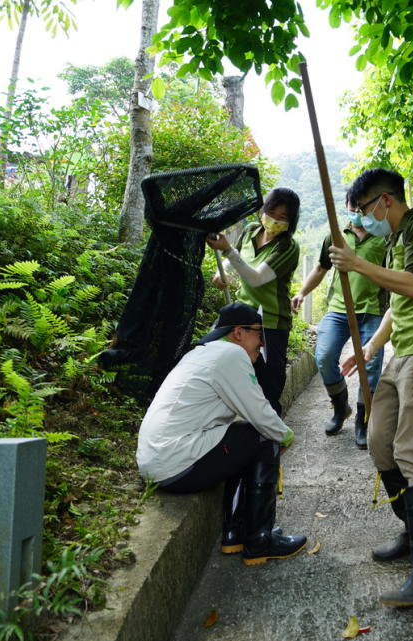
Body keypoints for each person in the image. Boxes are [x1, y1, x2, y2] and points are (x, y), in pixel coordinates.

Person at [329, 168, 413, 607]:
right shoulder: (395, 241)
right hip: (400, 354)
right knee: (381, 444)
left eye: (364, 210)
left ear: (385, 201)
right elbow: (397, 303)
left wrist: (356, 263)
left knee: (411, 451)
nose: (364, 219)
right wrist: (368, 347)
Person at [135, 302, 307, 565]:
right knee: (264, 436)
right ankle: (260, 541)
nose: (261, 343)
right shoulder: (231, 355)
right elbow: (259, 412)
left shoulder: (201, 353)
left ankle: (234, 533)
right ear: (238, 333)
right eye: (258, 334)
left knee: (243, 436)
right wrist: (286, 437)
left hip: (159, 461)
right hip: (175, 464)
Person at [291, 204, 388, 448]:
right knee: (324, 356)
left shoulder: (383, 236)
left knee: (372, 365)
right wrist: (302, 292)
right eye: (352, 206)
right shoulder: (335, 236)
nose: (356, 210)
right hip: (338, 309)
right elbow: (321, 268)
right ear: (346, 207)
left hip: (372, 310)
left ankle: (363, 421)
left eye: (360, 206)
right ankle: (340, 407)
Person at [207, 187, 301, 416]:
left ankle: (272, 436)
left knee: (269, 384)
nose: (275, 220)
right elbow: (236, 259)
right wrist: (223, 272)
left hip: (271, 323)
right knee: (216, 361)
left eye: (283, 217)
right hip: (242, 315)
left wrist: (227, 250)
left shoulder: (288, 247)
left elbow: (257, 278)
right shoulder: (250, 231)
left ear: (291, 221)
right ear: (263, 210)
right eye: (272, 212)